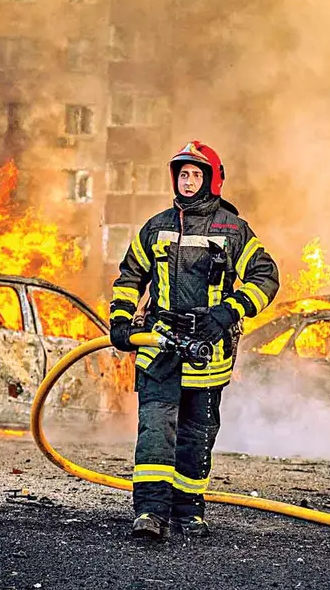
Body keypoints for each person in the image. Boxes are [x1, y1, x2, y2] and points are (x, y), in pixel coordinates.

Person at [109, 140, 279, 539]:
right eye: (182, 174)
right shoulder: (156, 227)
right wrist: (121, 321)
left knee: (196, 436)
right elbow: (130, 276)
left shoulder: (233, 230)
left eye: (195, 175)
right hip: (160, 345)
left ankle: (189, 512)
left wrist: (228, 312)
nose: (187, 182)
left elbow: (266, 277)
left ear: (212, 180)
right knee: (155, 432)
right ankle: (150, 514)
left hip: (207, 348)